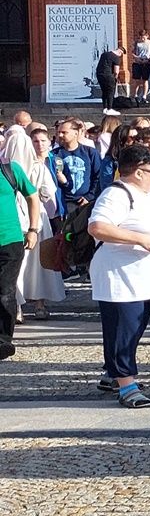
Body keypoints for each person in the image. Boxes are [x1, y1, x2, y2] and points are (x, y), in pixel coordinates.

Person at [87, 146, 150, 408]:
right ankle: (126, 384)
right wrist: (139, 238)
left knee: (136, 326)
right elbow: (97, 226)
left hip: (145, 278)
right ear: (139, 172)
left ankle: (112, 374)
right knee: (123, 329)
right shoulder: (116, 195)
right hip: (120, 277)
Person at [7, 127, 63, 324]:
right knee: (38, 264)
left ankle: (17, 308)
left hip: (13, 217)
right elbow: (48, 192)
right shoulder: (38, 166)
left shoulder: (7, 168)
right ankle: (39, 305)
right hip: (36, 217)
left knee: (16, 266)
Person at [0, 132, 43, 359]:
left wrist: (33, 229)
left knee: (5, 291)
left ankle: (4, 340)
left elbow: (33, 196)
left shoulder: (10, 169)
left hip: (10, 239)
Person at [96, 45, 124, 115]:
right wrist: (115, 77)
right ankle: (110, 108)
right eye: (121, 54)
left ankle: (105, 108)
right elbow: (116, 71)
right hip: (109, 76)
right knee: (110, 92)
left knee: (104, 91)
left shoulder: (104, 54)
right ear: (120, 52)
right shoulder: (116, 58)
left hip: (100, 74)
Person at [131, 31, 150, 104]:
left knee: (145, 80)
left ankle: (144, 96)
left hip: (146, 63)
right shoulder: (136, 43)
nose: (142, 39)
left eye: (143, 37)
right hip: (137, 63)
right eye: (141, 37)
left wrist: (148, 59)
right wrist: (137, 58)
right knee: (137, 80)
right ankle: (135, 95)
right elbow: (132, 52)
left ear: (147, 36)